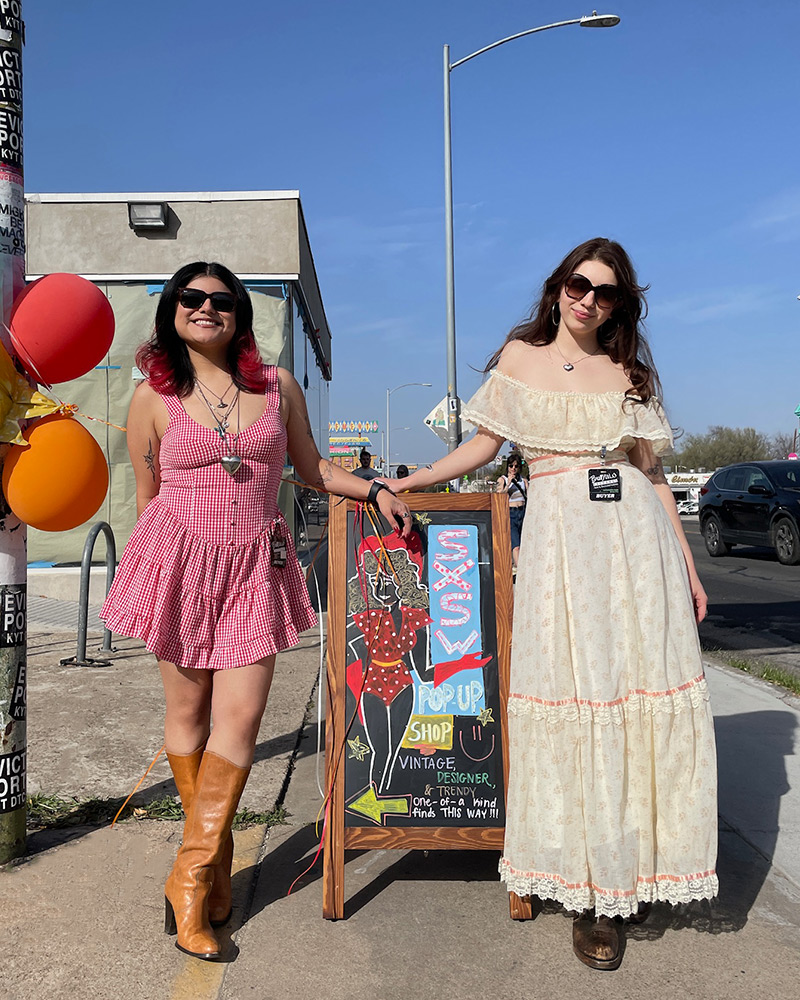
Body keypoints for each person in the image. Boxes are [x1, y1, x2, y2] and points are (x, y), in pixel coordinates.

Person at [386, 238, 717, 971]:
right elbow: (484, 446)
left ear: (621, 306)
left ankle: (633, 868)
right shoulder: (520, 357)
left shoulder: (628, 372)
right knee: (574, 698)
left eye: (606, 293)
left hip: (638, 547)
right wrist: (414, 482)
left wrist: (689, 569)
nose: (588, 300)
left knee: (634, 703)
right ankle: (588, 888)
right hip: (563, 551)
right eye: (579, 285)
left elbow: (655, 478)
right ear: (557, 287)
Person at [100, 262, 411, 961]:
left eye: (221, 300)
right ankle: (212, 867)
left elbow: (310, 468)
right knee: (188, 717)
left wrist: (372, 490)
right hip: (178, 562)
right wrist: (153, 578)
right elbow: (149, 497)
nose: (206, 308)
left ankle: (188, 878)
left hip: (253, 566)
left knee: (239, 719)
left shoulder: (278, 388)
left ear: (239, 314)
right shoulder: (154, 397)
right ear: (172, 313)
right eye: (191, 298)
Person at [495, 453, 527, 568]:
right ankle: (520, 570)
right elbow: (499, 495)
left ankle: (522, 566)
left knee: (524, 542)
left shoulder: (523, 480)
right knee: (516, 545)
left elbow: (529, 494)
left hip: (522, 512)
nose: (513, 469)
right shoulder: (502, 479)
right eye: (511, 466)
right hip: (511, 512)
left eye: (516, 466)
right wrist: (508, 483)